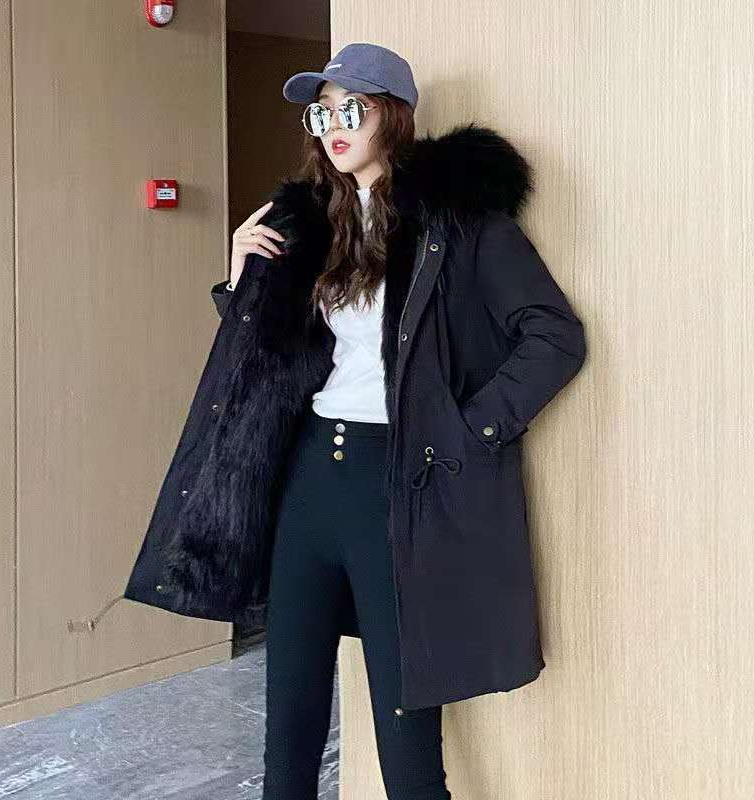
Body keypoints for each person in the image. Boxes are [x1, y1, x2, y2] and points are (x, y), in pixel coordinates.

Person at [122, 41, 587, 800]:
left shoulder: (458, 222)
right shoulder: (314, 224)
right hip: (309, 481)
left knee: (405, 739)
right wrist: (241, 281)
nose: (331, 127)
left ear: (392, 116)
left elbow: (554, 337)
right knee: (290, 722)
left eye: (350, 110)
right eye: (321, 113)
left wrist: (471, 430)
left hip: (395, 485)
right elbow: (275, 359)